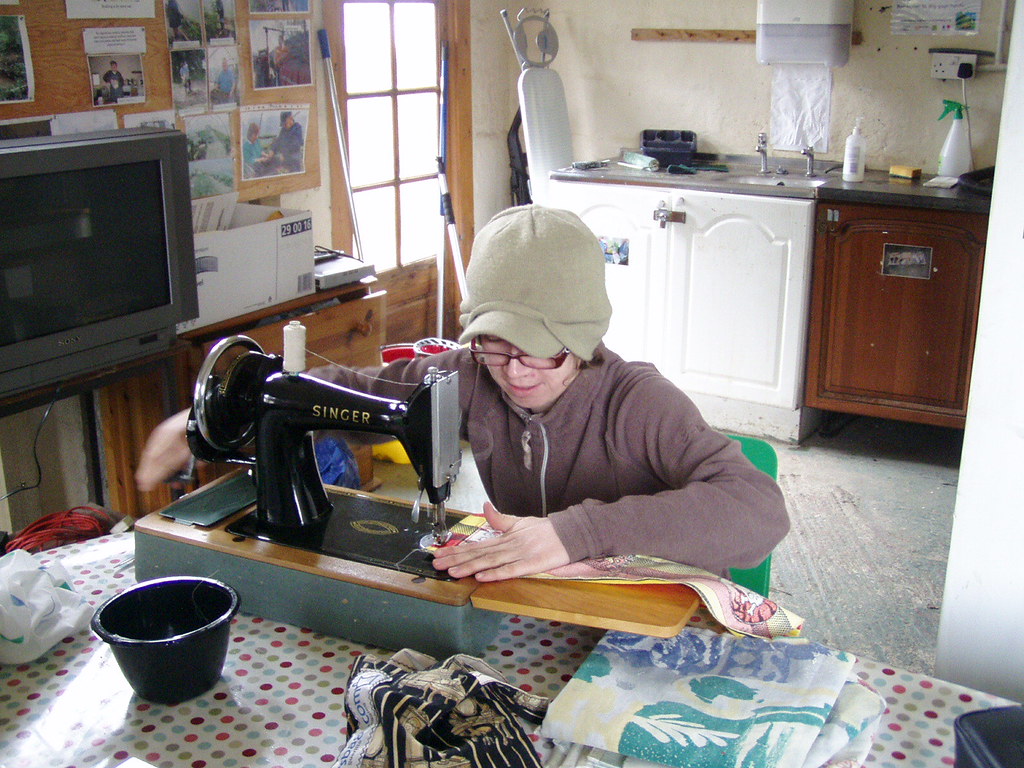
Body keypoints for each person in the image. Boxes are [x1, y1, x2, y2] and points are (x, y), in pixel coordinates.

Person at [136, 205, 789, 582]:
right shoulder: (469, 377)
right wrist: (208, 415)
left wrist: (576, 533)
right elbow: (351, 393)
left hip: (648, 625)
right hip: (544, 607)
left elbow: (760, 511)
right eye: (494, 344)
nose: (514, 372)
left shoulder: (637, 403)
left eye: (541, 348)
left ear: (585, 338)